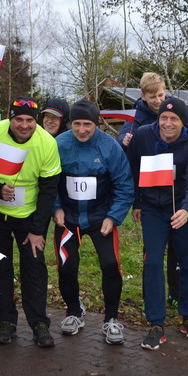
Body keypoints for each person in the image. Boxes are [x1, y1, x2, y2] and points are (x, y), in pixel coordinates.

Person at [0, 97, 61, 348]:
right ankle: (6, 322)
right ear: (9, 119)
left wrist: (38, 231)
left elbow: (49, 191)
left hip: (29, 216)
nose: (24, 125)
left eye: (29, 121)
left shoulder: (46, 142)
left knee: (34, 269)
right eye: (18, 120)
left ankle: (39, 323)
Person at [52, 100, 134, 344]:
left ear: (96, 124)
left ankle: (111, 319)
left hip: (101, 217)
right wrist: (56, 208)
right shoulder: (59, 144)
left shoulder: (110, 147)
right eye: (76, 124)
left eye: (87, 124)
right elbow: (48, 180)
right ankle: (75, 312)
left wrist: (113, 216)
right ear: (70, 124)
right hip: (68, 218)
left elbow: (124, 185)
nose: (82, 130)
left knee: (110, 264)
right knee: (67, 267)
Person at [128, 98, 188, 349]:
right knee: (152, 262)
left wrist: (187, 209)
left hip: (182, 209)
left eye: (174, 119)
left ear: (183, 123)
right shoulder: (142, 136)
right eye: (164, 118)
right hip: (152, 209)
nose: (168, 123)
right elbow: (133, 169)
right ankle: (156, 323)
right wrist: (137, 202)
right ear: (158, 118)